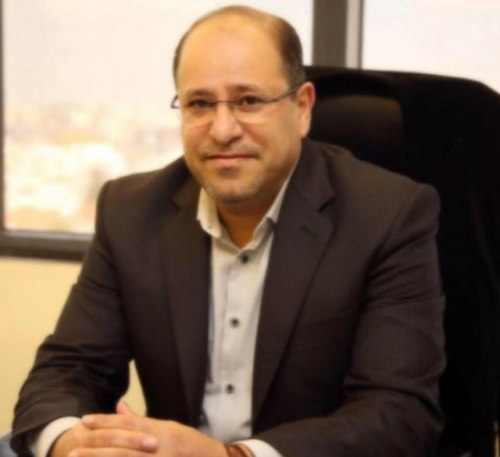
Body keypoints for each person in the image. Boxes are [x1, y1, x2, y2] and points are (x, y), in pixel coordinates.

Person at [11, 5, 445, 457]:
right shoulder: (130, 211)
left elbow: (398, 414)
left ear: (301, 108)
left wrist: (229, 456)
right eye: (200, 103)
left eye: (249, 101)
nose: (222, 130)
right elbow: (69, 369)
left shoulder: (387, 215)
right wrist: (71, 443)